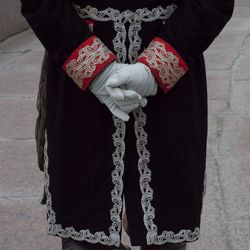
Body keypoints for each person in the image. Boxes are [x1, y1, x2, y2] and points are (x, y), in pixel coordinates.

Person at [20, 0, 234, 249]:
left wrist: (155, 69)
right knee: (84, 234)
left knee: (166, 228)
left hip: (172, 81)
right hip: (78, 80)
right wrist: (96, 71)